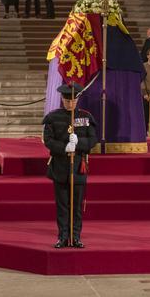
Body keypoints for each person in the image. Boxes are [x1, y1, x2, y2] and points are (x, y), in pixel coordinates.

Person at [42, 82, 98, 248]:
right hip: (60, 165)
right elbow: (48, 140)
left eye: (73, 101)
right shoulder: (53, 117)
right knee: (62, 205)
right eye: (67, 101)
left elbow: (93, 140)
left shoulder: (85, 117)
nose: (70, 104)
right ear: (62, 99)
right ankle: (63, 236)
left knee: (77, 205)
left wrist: (79, 142)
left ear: (77, 100)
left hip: (78, 166)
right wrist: (64, 147)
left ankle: (76, 236)